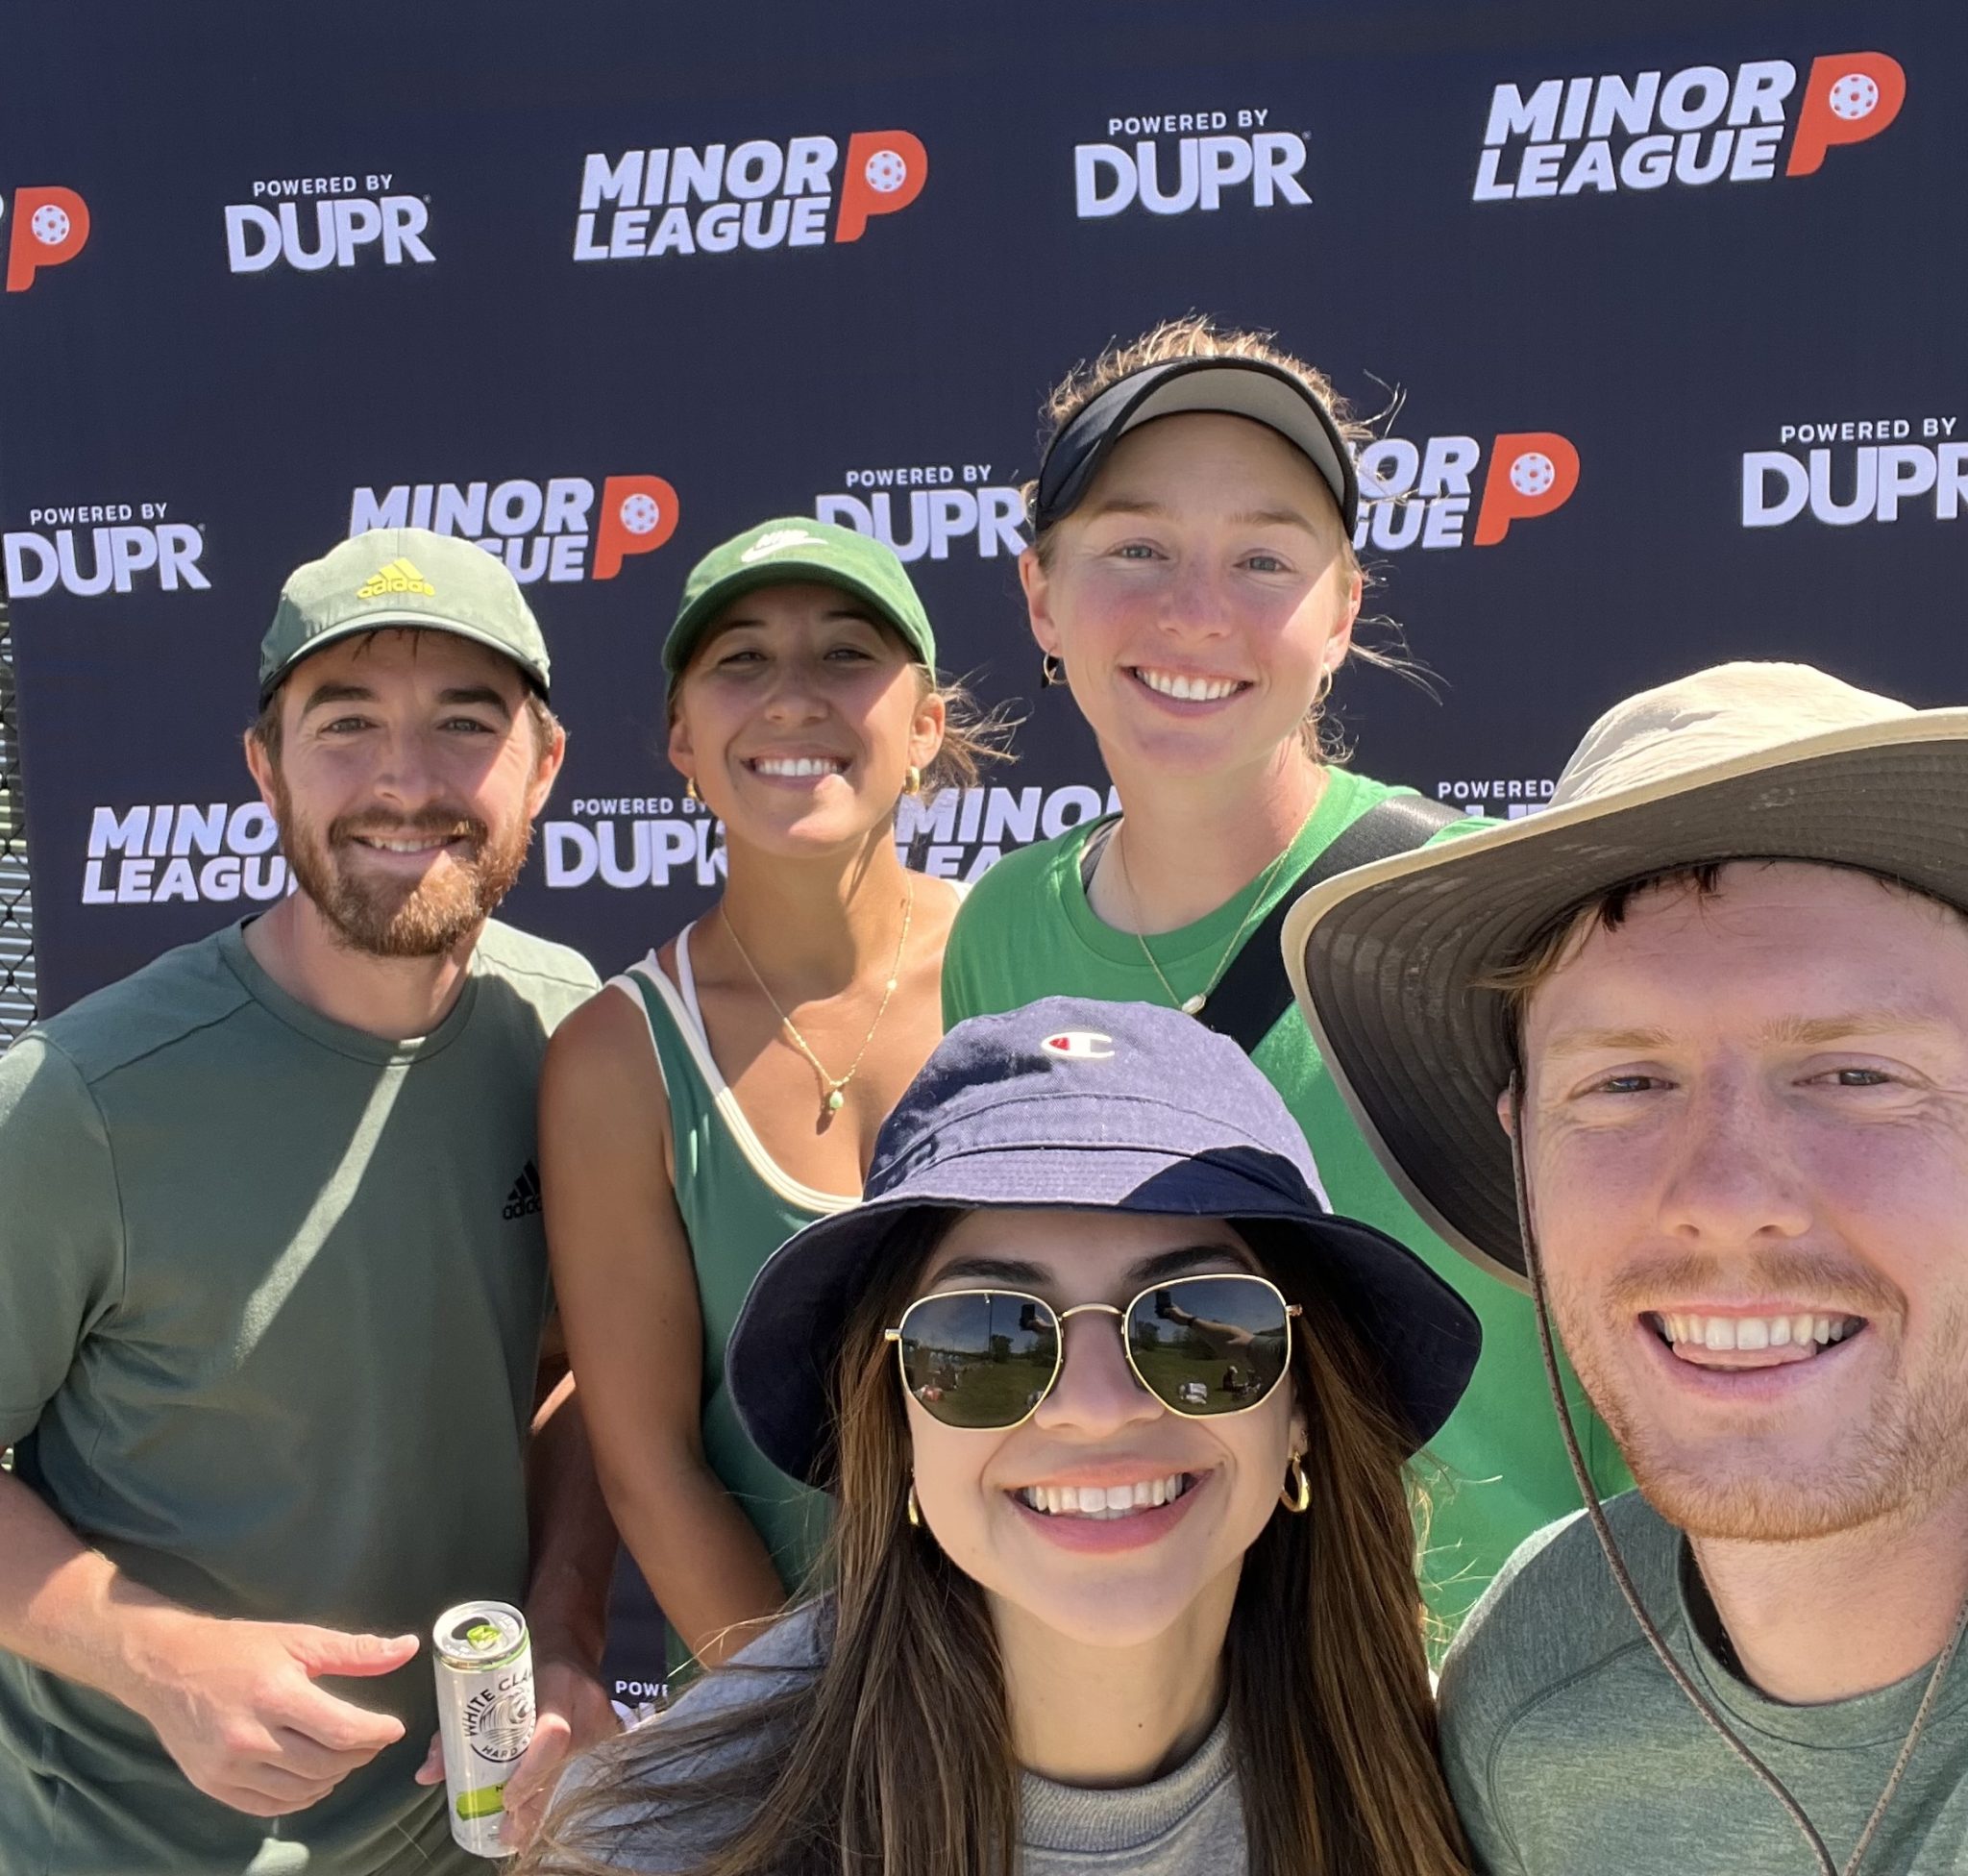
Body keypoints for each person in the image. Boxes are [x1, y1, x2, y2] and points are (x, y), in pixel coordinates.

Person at [942, 315, 1628, 1632]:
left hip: (1505, 1715)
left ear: (1342, 612)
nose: (1196, 609)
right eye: (1136, 547)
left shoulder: (1491, 911)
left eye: (1264, 558)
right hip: (1181, 1717)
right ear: (1042, 594)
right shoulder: (1000, 933)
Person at [525, 996, 1482, 1876]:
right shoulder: (655, 1850)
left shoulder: (1477, 1784)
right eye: (987, 1336)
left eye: (1195, 1322)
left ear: (1303, 1403)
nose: (1095, 1404)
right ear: (895, 1425)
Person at [0, 528, 619, 1874]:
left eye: (467, 722)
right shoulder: (77, 1100)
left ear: (546, 768)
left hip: (478, 1840)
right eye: (345, 724)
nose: (405, 780)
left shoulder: (569, 1031)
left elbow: (582, 1373)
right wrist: (159, 1660)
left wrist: (565, 1625)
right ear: (263, 769)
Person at [1287, 661, 1968, 1872]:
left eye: (1855, 1073)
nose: (1724, 1197)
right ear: (1524, 1153)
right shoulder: (1528, 1698)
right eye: (1625, 1083)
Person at [540, 519, 1003, 1679]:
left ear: (925, 724)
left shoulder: (1035, 960)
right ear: (681, 738)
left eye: (846, 655)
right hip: (795, 1729)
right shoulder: (617, 1051)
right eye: (739, 661)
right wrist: (803, 1732)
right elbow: (648, 1461)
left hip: (1086, 1699)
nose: (791, 699)